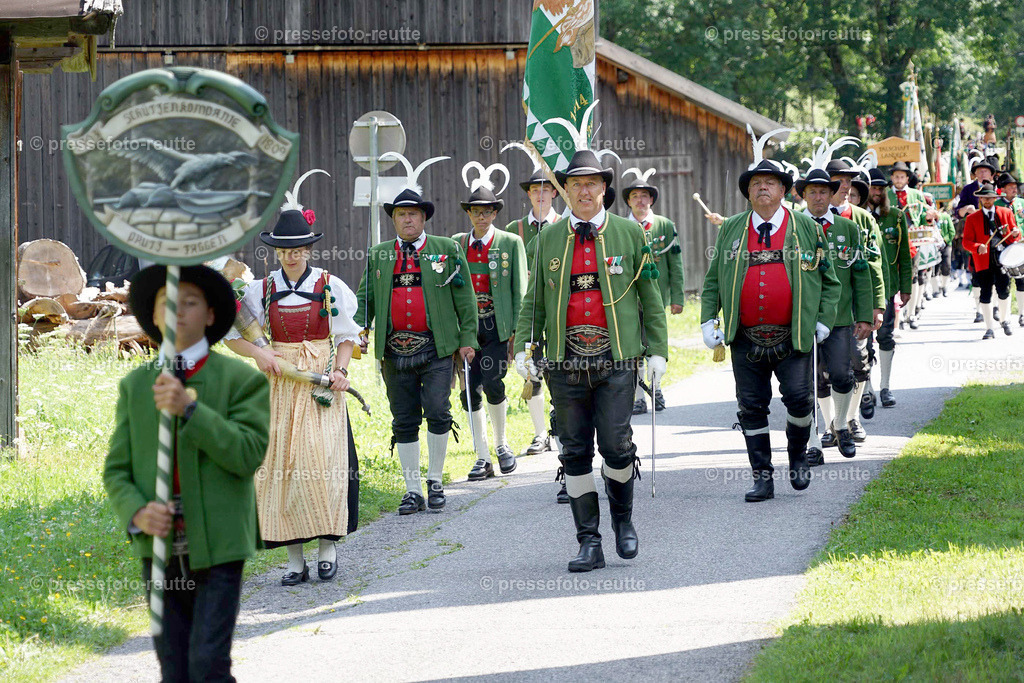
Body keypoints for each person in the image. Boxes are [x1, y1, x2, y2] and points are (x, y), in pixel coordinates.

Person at [105, 265, 270, 681]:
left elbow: (247, 454)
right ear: (153, 315)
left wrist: (191, 410)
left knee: (208, 664)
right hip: (159, 545)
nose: (178, 310)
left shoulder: (240, 380)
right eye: (168, 302)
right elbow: (117, 470)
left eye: (190, 302)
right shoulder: (136, 386)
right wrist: (137, 512)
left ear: (211, 315)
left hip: (220, 544)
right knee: (174, 668)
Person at [514, 137, 668, 572]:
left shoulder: (630, 233)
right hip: (564, 363)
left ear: (604, 188)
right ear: (564, 190)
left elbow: (651, 297)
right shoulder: (547, 240)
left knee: (617, 446)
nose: (584, 191)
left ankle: (623, 521)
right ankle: (589, 541)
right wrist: (525, 346)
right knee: (575, 451)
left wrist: (658, 351)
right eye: (576, 184)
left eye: (592, 183)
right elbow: (533, 301)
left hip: (616, 360)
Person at [224, 171, 361, 585]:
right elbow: (233, 337)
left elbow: (347, 336)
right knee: (282, 467)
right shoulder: (259, 290)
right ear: (276, 252)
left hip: (319, 382)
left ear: (308, 249)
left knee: (323, 464)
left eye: (297, 250)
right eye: (284, 251)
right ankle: (294, 559)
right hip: (280, 382)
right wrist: (260, 353)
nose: (291, 257)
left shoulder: (330, 285)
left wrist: (340, 370)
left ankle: (327, 548)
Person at [701, 126, 840, 503]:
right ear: (748, 193)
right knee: (751, 407)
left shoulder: (807, 227)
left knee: (799, 400)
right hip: (744, 337)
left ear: (783, 190)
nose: (762, 188)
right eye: (756, 183)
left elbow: (829, 280)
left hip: (793, 335)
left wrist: (823, 320)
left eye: (770, 183)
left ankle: (797, 458)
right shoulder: (731, 229)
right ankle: (762, 477)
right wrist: (708, 321)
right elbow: (713, 280)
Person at [355, 155, 479, 515]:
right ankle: (412, 490)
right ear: (393, 219)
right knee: (404, 419)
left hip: (437, 348)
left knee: (438, 410)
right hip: (393, 352)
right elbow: (365, 299)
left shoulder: (447, 249)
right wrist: (359, 330)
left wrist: (467, 339)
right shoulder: (378, 255)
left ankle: (435, 481)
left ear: (423, 218)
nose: (407, 219)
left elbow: (466, 300)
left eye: (413, 214)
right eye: (401, 214)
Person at [794, 161, 873, 463]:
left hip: (839, 318)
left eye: (823, 192)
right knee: (807, 383)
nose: (818, 197)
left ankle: (840, 424)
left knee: (842, 374)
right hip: (802, 319)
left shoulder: (847, 228)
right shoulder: (793, 228)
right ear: (803, 195)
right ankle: (814, 441)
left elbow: (861, 273)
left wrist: (864, 315)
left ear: (832, 194)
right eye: (812, 192)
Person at [453, 162, 527, 480]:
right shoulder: (456, 244)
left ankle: (501, 444)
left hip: (498, 327)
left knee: (494, 382)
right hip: (468, 330)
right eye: (476, 211)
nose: (481, 217)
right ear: (469, 213)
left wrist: (518, 333)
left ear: (495, 213)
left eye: (486, 211)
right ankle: (482, 456)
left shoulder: (510, 242)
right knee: (469, 391)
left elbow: (519, 290)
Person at [503, 151, 561, 456]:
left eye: (546, 189)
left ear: (555, 193)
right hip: (528, 314)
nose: (540, 195)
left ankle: (562, 430)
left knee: (561, 374)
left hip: (558, 315)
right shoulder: (514, 230)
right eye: (535, 190)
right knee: (530, 372)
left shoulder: (566, 225)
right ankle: (540, 434)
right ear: (528, 194)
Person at [621, 166, 685, 414]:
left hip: (656, 298)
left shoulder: (665, 225)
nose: (640, 200)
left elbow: (675, 264)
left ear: (651, 200)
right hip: (627, 298)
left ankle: (656, 389)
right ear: (628, 201)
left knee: (655, 344)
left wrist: (677, 297)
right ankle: (639, 396)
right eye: (635, 196)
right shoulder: (619, 227)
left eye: (645, 196)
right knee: (633, 347)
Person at [863, 167, 912, 415]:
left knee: (885, 336)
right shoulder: (858, 216)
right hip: (861, 289)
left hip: (888, 287)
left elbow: (904, 254)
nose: (877, 192)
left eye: (881, 188)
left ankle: (885, 387)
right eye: (873, 187)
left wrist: (906, 287)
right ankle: (866, 388)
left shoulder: (896, 216)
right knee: (863, 341)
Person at [962, 182, 1021, 338]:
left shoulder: (1006, 213)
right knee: (985, 293)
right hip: (983, 260)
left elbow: (1015, 235)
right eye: (984, 198)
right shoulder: (972, 218)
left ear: (995, 198)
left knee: (1004, 290)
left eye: (990, 197)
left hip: (1003, 258)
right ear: (980, 199)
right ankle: (989, 328)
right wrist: (977, 247)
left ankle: (1004, 320)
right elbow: (966, 242)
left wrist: (1015, 233)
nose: (987, 200)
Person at [995, 172, 1024, 326]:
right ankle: (1002, 315)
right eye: (1011, 187)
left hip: (1021, 245)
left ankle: (1022, 314)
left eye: (1015, 187)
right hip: (1004, 247)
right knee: (1003, 282)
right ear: (1003, 189)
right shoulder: (996, 205)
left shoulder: (1021, 203)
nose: (1014, 189)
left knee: (1022, 281)